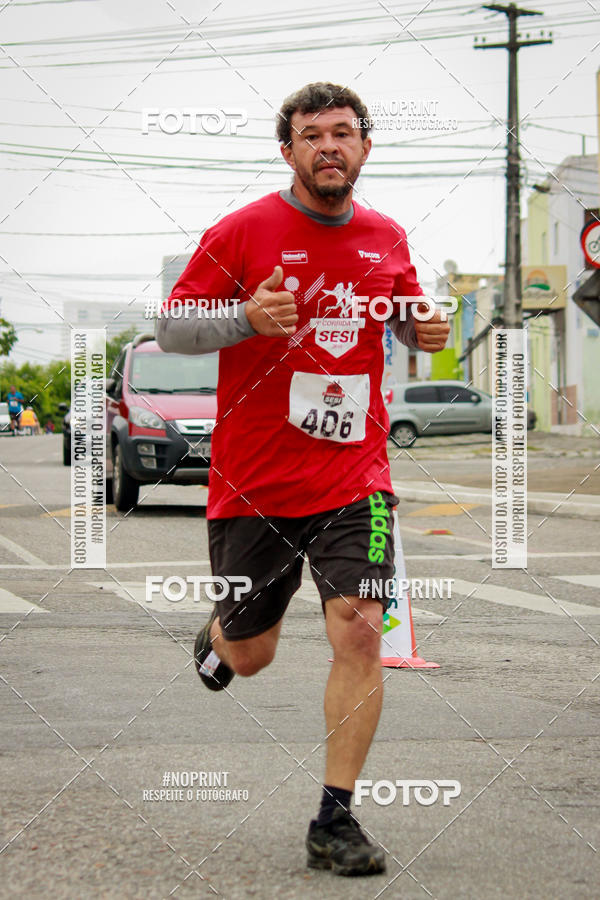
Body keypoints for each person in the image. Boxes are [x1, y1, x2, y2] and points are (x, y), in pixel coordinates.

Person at [156, 82, 449, 877]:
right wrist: (245, 319)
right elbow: (172, 326)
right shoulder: (244, 230)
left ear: (364, 147)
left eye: (343, 133)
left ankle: (335, 818)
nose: (329, 146)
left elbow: (401, 316)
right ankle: (221, 636)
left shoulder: (387, 237)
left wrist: (421, 326)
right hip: (255, 483)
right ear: (287, 151)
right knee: (252, 655)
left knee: (360, 624)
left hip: (358, 474)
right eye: (312, 135)